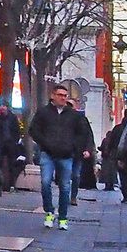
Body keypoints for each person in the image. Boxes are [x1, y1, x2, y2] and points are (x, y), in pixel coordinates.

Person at [28, 84, 89, 230]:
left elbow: (82, 133)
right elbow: (33, 130)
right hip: (47, 153)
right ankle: (49, 211)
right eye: (60, 95)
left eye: (65, 96)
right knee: (45, 182)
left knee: (65, 186)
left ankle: (63, 217)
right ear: (53, 96)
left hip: (66, 155)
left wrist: (75, 148)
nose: (63, 98)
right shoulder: (43, 113)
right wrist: (45, 143)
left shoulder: (73, 115)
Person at [0, 103, 23, 192]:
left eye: (4, 108)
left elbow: (16, 130)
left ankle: (11, 184)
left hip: (10, 143)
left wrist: (14, 141)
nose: (2, 110)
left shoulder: (12, 118)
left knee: (11, 165)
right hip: (0, 143)